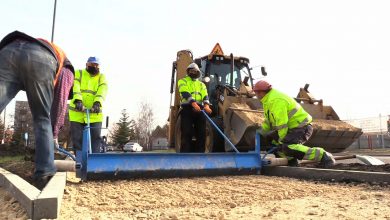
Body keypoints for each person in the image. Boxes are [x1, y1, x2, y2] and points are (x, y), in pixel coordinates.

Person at [0, 31, 74, 189]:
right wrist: (54, 134)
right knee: (41, 118)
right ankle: (44, 173)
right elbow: (60, 103)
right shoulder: (68, 70)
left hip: (7, 51)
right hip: (40, 59)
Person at [253, 80, 336, 167]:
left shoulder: (276, 100)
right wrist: (262, 131)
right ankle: (292, 162)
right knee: (271, 140)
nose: (256, 95)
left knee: (288, 146)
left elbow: (282, 124)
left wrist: (282, 139)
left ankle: (324, 156)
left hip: (301, 127)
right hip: (291, 127)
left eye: (257, 93)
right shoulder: (267, 101)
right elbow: (269, 120)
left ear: (263, 92)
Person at [69, 56, 108, 154]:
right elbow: (75, 86)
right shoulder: (79, 73)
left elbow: (102, 90)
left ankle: (94, 163)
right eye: (92, 64)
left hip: (95, 114)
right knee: (77, 139)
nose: (94, 67)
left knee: (95, 138)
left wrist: (97, 102)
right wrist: (78, 100)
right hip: (77, 113)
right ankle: (79, 162)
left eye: (96, 65)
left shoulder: (101, 77)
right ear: (87, 64)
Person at [178, 63, 212, 152]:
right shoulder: (182, 81)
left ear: (198, 73)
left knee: (201, 134)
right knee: (186, 132)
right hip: (187, 109)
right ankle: (185, 157)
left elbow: (205, 96)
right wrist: (193, 104)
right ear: (188, 71)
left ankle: (200, 156)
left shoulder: (201, 84)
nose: (193, 72)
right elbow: (185, 92)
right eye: (191, 71)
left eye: (195, 71)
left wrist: (207, 106)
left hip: (200, 110)